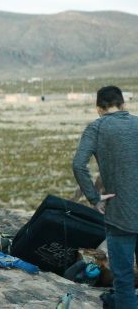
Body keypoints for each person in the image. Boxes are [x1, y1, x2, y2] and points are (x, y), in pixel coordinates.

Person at [73, 86, 138, 309]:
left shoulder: (97, 127)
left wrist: (94, 197)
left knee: (124, 278)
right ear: (123, 105)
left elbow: (78, 165)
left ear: (99, 109)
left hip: (119, 215)